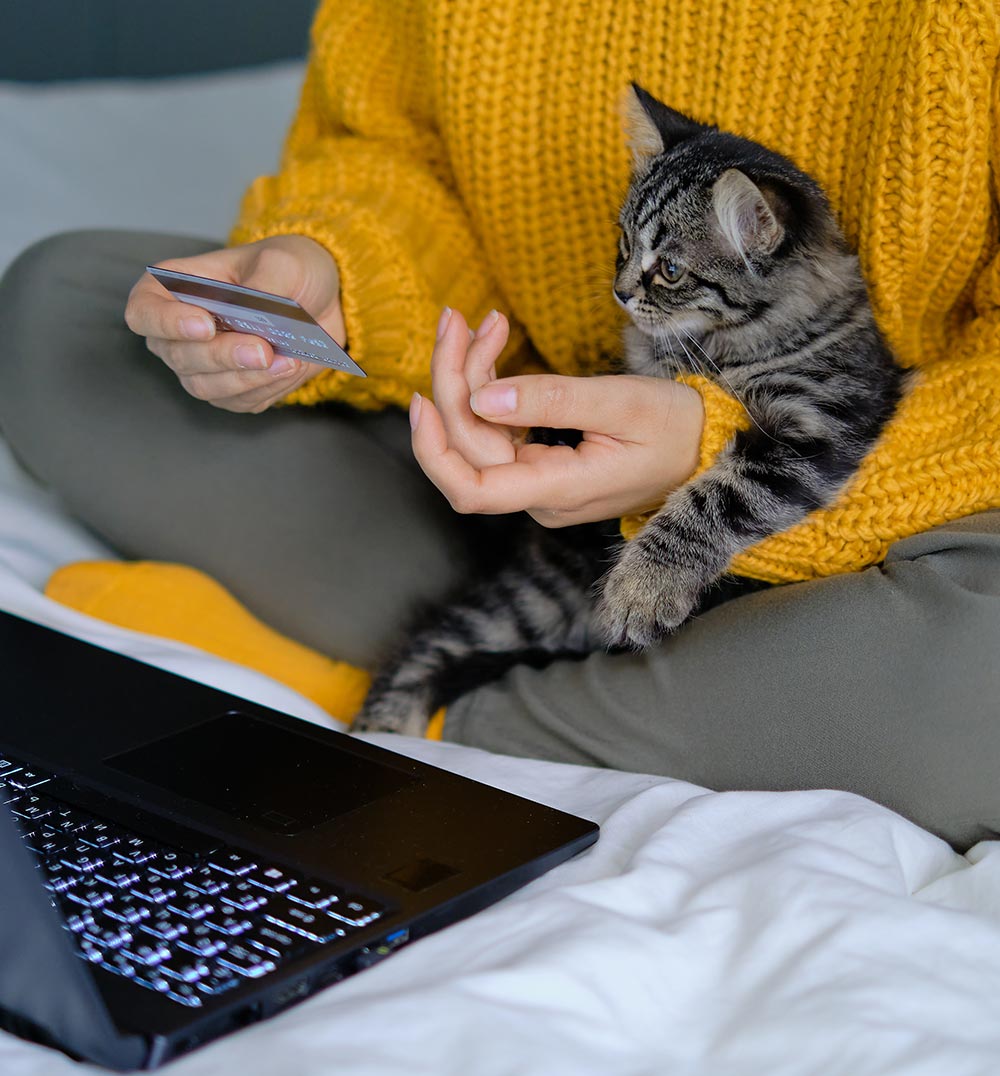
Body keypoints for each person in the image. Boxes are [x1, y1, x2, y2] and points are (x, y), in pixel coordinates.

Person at [2, 0, 1000, 850]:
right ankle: (639, 683)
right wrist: (335, 276)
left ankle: (437, 709)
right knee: (66, 312)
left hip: (893, 502)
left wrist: (700, 451)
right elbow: (390, 151)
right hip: (514, 448)